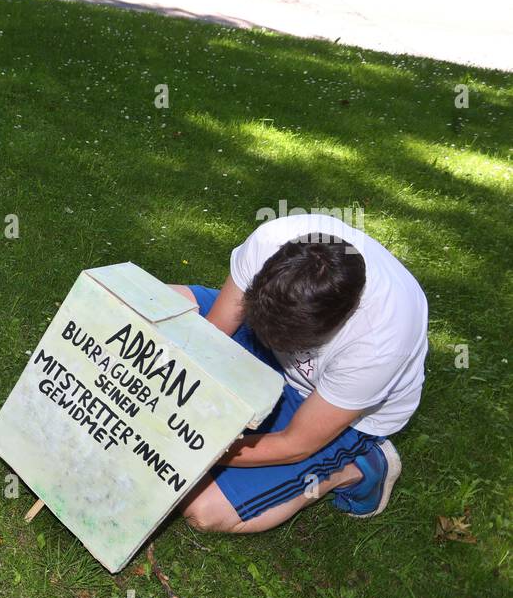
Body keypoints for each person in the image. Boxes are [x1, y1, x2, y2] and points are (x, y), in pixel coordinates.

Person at [173, 213, 428, 533]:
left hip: (327, 404)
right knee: (130, 301)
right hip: (263, 342)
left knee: (205, 511)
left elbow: (295, 444)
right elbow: (213, 335)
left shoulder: (380, 342)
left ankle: (355, 470)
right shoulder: (271, 240)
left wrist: (195, 446)